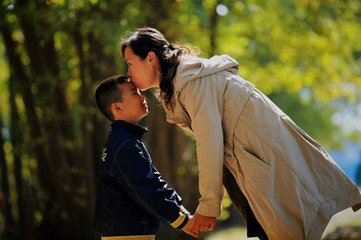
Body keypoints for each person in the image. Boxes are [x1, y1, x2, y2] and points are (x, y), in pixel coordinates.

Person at [119, 27, 361, 240]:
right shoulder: (183, 82)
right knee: (276, 226)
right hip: (253, 158)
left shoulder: (191, 82)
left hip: (261, 154)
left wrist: (208, 206)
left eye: (130, 63)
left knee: (283, 226)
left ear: (150, 58)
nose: (128, 72)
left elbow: (209, 141)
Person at [93, 75, 198, 240]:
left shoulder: (125, 139)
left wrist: (181, 211)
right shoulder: (124, 144)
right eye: (134, 93)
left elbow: (153, 180)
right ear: (117, 108)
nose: (142, 96)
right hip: (128, 235)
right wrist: (182, 221)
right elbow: (146, 188)